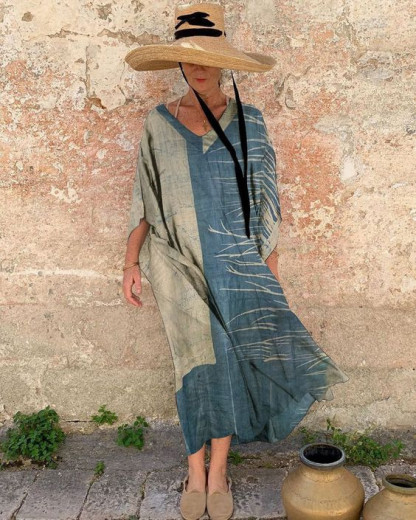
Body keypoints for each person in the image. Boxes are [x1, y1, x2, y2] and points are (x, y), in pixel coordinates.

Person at [122, 3, 348, 520]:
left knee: (225, 355)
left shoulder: (251, 122)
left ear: (224, 62)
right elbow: (143, 198)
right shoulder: (157, 123)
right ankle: (194, 468)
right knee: (191, 359)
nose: (198, 67)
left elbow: (267, 199)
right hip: (175, 262)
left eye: (208, 57)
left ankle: (218, 468)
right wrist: (131, 264)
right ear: (178, 62)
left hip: (235, 264)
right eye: (189, 57)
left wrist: (270, 268)